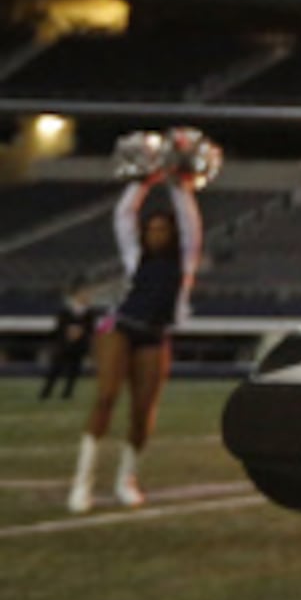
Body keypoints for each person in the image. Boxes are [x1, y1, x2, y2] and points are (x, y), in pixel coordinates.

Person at [69, 176, 201, 512]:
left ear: (171, 235)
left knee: (143, 412)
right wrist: (145, 180)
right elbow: (124, 215)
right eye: (151, 229)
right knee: (106, 397)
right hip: (118, 324)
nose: (155, 234)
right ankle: (81, 484)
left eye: (162, 230)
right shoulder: (134, 256)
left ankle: (125, 479)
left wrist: (180, 185)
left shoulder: (185, 262)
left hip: (155, 333)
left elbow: (190, 224)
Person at [41, 279, 100, 401]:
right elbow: (59, 327)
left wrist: (80, 332)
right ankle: (46, 392)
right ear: (77, 295)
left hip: (79, 346)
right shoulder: (65, 310)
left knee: (74, 370)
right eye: (84, 293)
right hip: (64, 344)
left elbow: (91, 329)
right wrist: (69, 332)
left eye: (88, 294)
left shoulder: (90, 312)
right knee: (55, 369)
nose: (87, 296)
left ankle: (67, 393)